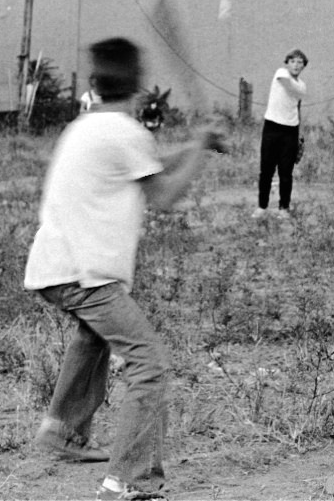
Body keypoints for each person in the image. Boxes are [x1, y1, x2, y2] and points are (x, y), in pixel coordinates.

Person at [24, 37, 223, 501]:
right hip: (84, 274)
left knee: (94, 337)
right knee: (149, 364)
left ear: (97, 84)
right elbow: (166, 196)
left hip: (57, 267)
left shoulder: (89, 127)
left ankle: (63, 432)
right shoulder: (126, 133)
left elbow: (144, 163)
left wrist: (197, 144)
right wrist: (200, 149)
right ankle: (128, 481)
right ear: (140, 88)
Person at [253, 49, 308, 219]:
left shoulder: (302, 85)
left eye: (300, 62)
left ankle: (284, 208)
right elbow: (289, 86)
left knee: (286, 173)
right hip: (272, 127)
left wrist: (300, 135)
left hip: (290, 131)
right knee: (266, 171)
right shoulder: (281, 73)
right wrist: (296, 90)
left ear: (303, 66)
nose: (296, 65)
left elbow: (297, 107)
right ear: (287, 63)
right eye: (293, 61)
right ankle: (262, 207)